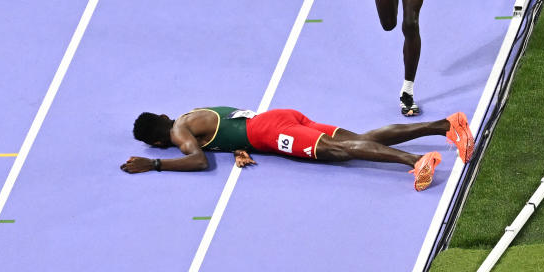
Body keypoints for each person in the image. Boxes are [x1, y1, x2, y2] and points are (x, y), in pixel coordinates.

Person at [121, 106, 473, 192]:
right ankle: (447, 125)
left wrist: (154, 165)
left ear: (157, 140)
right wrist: (237, 148)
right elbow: (230, 125)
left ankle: (416, 161)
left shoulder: (180, 132)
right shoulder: (190, 117)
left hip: (270, 133)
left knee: (341, 151)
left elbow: (197, 160)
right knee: (365, 140)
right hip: (279, 117)